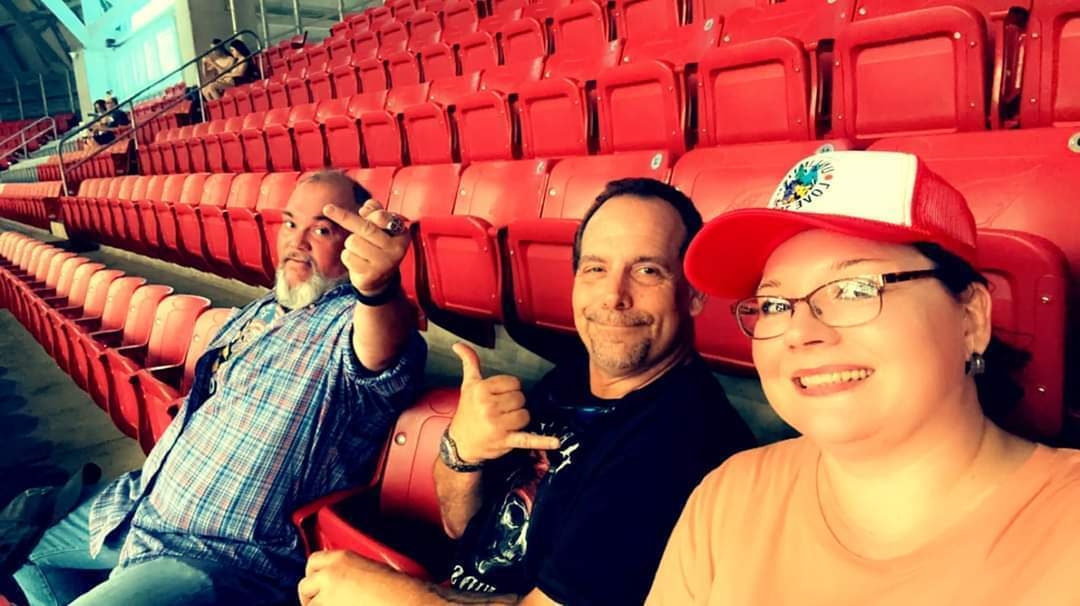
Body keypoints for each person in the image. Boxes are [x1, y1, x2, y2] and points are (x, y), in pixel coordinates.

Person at [646, 151, 1080, 605]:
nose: (800, 332)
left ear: (971, 317)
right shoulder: (729, 497)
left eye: (854, 290)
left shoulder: (1065, 528)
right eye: (774, 304)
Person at [297, 178, 757, 606]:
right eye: (596, 268)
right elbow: (462, 527)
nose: (614, 296)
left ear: (694, 294)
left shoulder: (680, 445)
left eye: (648, 270)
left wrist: (388, 595)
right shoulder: (570, 381)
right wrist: (462, 453)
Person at [12, 171, 428, 606]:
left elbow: (382, 347)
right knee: (18, 547)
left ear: (355, 243)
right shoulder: (262, 310)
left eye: (322, 231)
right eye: (290, 224)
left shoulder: (350, 321)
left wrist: (378, 289)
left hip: (220, 557)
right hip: (143, 506)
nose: (297, 242)